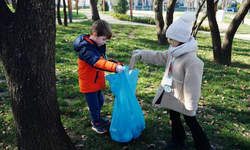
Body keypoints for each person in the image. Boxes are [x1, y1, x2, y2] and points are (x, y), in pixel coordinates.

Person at [132, 12, 215, 150]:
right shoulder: (174, 51)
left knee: (191, 122)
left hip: (184, 99)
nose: (169, 41)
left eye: (172, 39)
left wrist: (190, 104)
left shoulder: (192, 61)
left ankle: (204, 147)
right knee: (174, 117)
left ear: (181, 39)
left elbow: (193, 86)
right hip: (172, 93)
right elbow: (159, 56)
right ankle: (178, 141)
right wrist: (143, 53)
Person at [73, 20, 125, 134]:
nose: (104, 42)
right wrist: (114, 68)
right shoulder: (86, 49)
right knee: (94, 104)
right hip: (89, 82)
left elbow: (104, 61)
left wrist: (117, 64)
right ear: (95, 35)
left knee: (100, 101)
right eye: (103, 39)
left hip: (96, 81)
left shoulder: (96, 46)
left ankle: (98, 118)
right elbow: (98, 63)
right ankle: (96, 123)